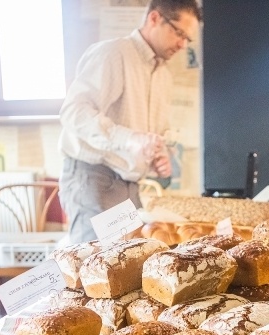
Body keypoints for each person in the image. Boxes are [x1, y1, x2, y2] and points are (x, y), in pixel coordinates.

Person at [58, 0, 202, 243]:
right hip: (96, 177)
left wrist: (159, 156)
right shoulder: (113, 53)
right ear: (154, 19)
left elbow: (152, 134)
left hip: (131, 185)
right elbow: (74, 112)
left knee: (125, 271)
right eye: (179, 33)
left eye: (188, 39)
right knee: (91, 269)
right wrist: (130, 139)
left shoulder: (164, 75)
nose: (182, 44)